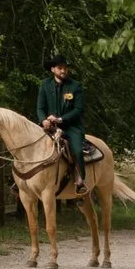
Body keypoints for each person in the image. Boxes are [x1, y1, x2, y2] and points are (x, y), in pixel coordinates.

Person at [34, 52, 87, 194]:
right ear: (53, 69)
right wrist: (43, 120)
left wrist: (61, 119)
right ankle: (23, 181)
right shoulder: (45, 85)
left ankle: (80, 180)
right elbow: (40, 108)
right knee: (31, 144)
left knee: (76, 149)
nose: (63, 70)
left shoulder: (75, 86)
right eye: (60, 68)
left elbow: (78, 110)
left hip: (71, 127)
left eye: (65, 68)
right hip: (49, 127)